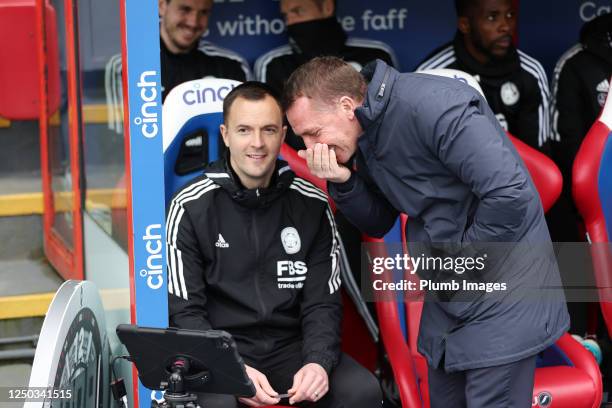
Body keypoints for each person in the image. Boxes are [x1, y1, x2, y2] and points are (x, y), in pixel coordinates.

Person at [284, 56, 570, 407]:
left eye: (314, 133)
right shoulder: (366, 128)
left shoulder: (434, 105)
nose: (312, 148)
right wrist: (343, 180)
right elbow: (380, 221)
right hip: (449, 292)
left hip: (502, 287)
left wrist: (461, 265)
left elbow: (510, 195)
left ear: (346, 105)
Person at [166, 82, 382, 407]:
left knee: (360, 391)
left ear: (283, 135)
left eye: (268, 130)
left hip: (291, 349)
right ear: (225, 135)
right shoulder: (190, 206)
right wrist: (231, 368)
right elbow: (186, 312)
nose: (257, 143)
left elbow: (322, 304)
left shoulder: (312, 204)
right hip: (220, 350)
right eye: (244, 130)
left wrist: (317, 363)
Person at [254, 0, 398, 150]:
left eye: (298, 11)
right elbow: (271, 130)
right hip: (301, 164)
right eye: (285, 15)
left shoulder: (375, 55)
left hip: (371, 160)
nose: (291, 20)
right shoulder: (275, 64)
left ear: (327, 7)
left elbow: (392, 119)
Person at [417, 0, 551, 152]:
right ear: (464, 25)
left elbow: (538, 160)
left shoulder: (531, 73)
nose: (506, 26)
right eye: (492, 17)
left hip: (515, 175)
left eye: (510, 15)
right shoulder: (431, 76)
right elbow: (418, 158)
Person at [158, 0, 251, 101]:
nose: (193, 22)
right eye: (185, 9)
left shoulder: (231, 65)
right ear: (162, 6)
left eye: (204, 12)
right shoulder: (140, 61)